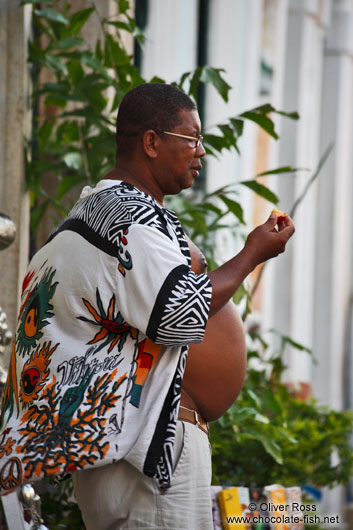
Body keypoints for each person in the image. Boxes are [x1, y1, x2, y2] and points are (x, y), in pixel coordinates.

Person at [0, 83, 294, 529]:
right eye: (191, 138)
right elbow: (181, 312)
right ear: (152, 142)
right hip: (149, 458)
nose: (201, 152)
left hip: (118, 455)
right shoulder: (130, 217)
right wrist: (253, 251)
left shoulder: (84, 221)